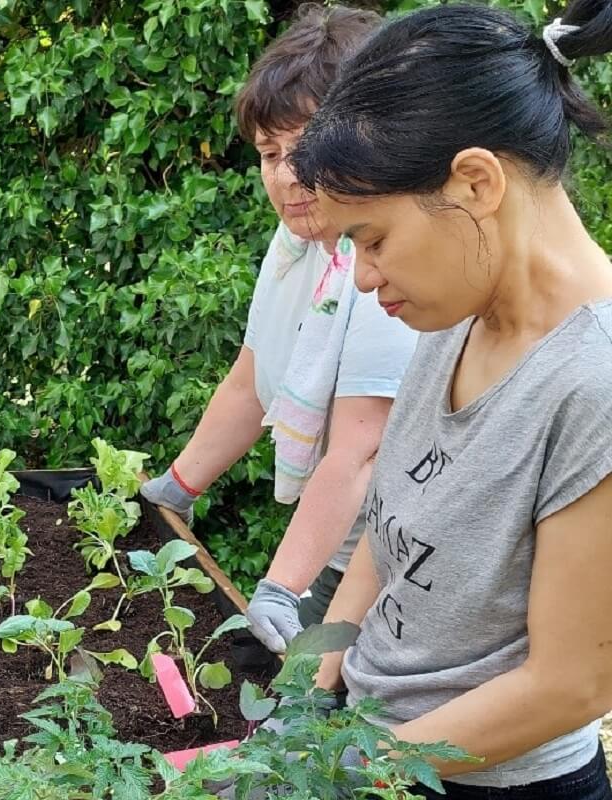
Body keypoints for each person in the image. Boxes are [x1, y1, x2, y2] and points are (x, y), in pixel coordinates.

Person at [291, 2, 612, 796]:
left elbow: (571, 686)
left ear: (475, 182)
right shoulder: (456, 316)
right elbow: (389, 530)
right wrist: (308, 689)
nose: (363, 279)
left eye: (372, 239)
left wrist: (335, 776)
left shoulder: (595, 382)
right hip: (378, 753)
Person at [141, 3, 418, 653]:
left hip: (400, 573)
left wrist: (280, 587)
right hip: (338, 552)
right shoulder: (298, 244)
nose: (287, 176)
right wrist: (173, 491)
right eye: (271, 153)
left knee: (339, 739)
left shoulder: (386, 256)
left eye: (307, 150)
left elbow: (362, 449)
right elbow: (251, 377)